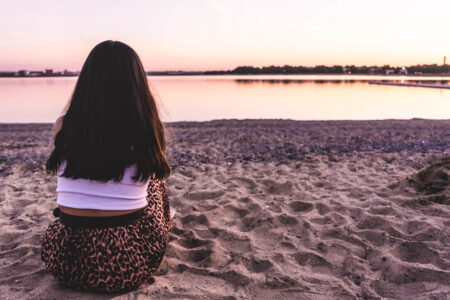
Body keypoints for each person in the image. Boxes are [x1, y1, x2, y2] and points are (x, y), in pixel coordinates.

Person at [41, 40, 174, 292]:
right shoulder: (147, 128)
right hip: (128, 265)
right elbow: (156, 170)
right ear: (136, 83)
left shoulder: (64, 125)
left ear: (87, 83)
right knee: (155, 180)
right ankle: (163, 219)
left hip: (65, 260)